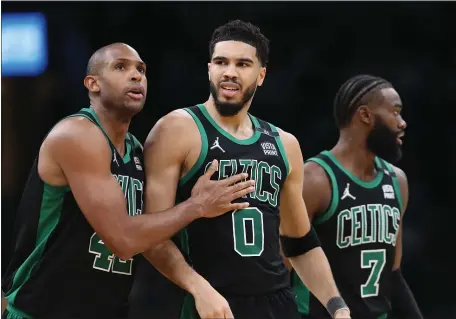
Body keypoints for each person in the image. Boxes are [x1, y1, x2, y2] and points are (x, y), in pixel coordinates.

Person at [1, 43, 255, 319]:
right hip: (41, 311)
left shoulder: (136, 151)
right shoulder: (77, 134)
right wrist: (197, 206)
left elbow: (155, 232)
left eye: (141, 70)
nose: (136, 76)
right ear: (93, 84)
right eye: (121, 67)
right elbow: (122, 239)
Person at [135, 20, 351, 319]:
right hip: (212, 303)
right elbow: (152, 236)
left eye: (243, 64)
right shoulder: (177, 129)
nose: (230, 72)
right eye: (221, 62)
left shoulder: (284, 144)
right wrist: (199, 288)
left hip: (278, 304)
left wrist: (337, 306)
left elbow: (300, 242)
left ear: (261, 75)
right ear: (209, 68)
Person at [289, 75, 423, 319]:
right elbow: (279, 269)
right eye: (395, 112)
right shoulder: (315, 180)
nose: (402, 123)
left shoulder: (397, 181)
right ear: (365, 115)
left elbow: (393, 275)